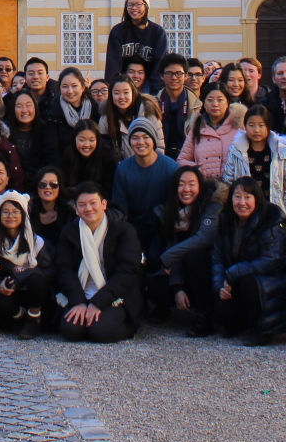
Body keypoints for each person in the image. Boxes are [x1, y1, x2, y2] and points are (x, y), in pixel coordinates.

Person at [208, 178, 286, 346]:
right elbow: (217, 257)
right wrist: (220, 286)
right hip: (236, 277)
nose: (242, 202)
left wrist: (233, 273)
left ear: (257, 199)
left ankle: (261, 330)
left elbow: (271, 260)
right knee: (224, 316)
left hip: (270, 278)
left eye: (247, 197)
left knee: (248, 283)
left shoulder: (270, 219)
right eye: (237, 197)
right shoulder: (225, 220)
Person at [53, 183, 142, 343]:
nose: (88, 208)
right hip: (81, 290)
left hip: (113, 293)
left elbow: (127, 270)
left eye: (93, 203)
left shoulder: (123, 230)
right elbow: (64, 269)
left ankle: (127, 325)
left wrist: (98, 302)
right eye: (82, 205)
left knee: (100, 331)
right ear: (76, 209)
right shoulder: (69, 232)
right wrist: (79, 302)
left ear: (104, 204)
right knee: (71, 330)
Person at [155, 166, 220, 332]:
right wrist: (178, 287)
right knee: (157, 282)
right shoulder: (170, 212)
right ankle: (165, 310)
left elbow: (204, 238)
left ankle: (205, 316)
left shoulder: (212, 205)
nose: (186, 189)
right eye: (181, 184)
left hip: (211, 269)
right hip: (183, 268)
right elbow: (173, 247)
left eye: (192, 184)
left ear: (200, 186)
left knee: (194, 256)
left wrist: (167, 257)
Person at [110, 117, 176, 254]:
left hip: (161, 227)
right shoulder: (123, 169)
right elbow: (120, 208)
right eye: (135, 138)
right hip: (133, 226)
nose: (140, 142)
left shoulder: (171, 168)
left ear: (153, 140)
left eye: (146, 137)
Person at [221, 106, 286, 216]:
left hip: (274, 210)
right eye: (251, 125)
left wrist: (285, 213)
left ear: (268, 126)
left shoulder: (281, 150)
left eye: (261, 125)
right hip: (244, 210)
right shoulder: (237, 150)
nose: (256, 130)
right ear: (245, 126)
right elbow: (228, 180)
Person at [104, 0, 168, 87]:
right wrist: (113, 87)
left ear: (146, 6)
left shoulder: (158, 32)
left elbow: (159, 64)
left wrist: (155, 90)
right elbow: (113, 65)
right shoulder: (118, 31)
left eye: (138, 4)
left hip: (150, 85)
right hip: (123, 84)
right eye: (130, 5)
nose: (134, 8)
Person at [178, 85, 241, 182]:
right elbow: (182, 160)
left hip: (231, 185)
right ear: (204, 103)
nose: (215, 104)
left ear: (227, 103)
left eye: (220, 100)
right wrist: (198, 169)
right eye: (210, 100)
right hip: (204, 185)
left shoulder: (238, 127)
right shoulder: (197, 128)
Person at [2, 91, 53, 177]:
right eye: (19, 106)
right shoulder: (5, 134)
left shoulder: (46, 131)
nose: (24, 110)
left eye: (28, 105)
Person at [63, 120, 116, 193]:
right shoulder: (68, 154)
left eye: (91, 140)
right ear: (75, 139)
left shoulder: (107, 156)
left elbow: (110, 188)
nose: (87, 145)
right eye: (82, 140)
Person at [30, 167, 71, 240]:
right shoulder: (28, 212)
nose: (48, 187)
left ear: (60, 187)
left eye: (53, 184)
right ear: (37, 187)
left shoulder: (69, 213)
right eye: (43, 184)